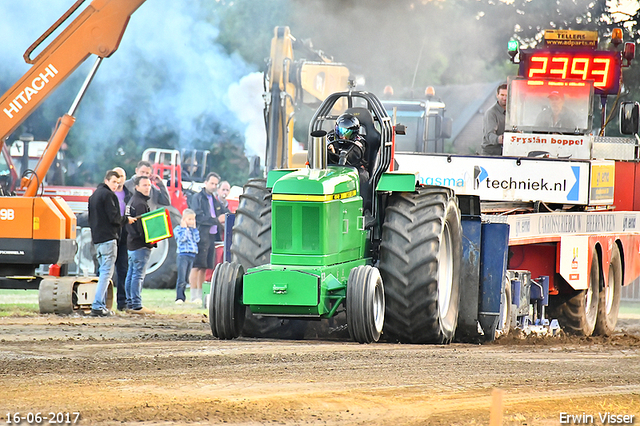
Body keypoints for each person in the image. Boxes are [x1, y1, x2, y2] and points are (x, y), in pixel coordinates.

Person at [87, 170, 134, 317]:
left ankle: (98, 304)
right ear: (107, 180)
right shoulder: (108, 195)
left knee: (103, 271)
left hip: (97, 238)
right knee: (106, 273)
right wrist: (127, 220)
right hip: (108, 238)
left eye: (118, 183)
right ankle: (97, 306)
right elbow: (114, 218)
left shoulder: (94, 195)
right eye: (114, 182)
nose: (116, 185)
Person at [188, 172, 225, 304]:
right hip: (201, 235)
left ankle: (201, 294)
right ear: (205, 183)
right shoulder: (198, 198)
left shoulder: (214, 200)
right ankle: (193, 295)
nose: (214, 186)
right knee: (197, 265)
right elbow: (198, 216)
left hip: (211, 236)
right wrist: (216, 220)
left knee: (205, 266)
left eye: (216, 184)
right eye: (212, 183)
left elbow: (222, 213)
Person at [124, 175, 156, 315]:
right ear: (136, 187)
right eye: (144, 185)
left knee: (131, 274)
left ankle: (130, 303)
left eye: (149, 185)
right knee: (138, 275)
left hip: (131, 244)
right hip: (140, 245)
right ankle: (137, 305)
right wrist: (150, 241)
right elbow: (143, 227)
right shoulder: (140, 203)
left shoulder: (132, 201)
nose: (147, 187)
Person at [112, 167, 130, 311]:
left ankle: (122, 302)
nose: (120, 178)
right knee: (105, 269)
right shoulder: (107, 194)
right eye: (117, 176)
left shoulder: (128, 194)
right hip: (110, 233)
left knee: (123, 269)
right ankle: (102, 301)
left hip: (124, 234)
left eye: (122, 176)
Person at [174, 209, 200, 304]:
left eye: (193, 219)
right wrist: (184, 228)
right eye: (190, 219)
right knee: (181, 277)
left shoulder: (192, 230)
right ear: (184, 219)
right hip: (183, 255)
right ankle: (179, 297)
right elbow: (182, 239)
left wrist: (194, 229)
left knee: (186, 278)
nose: (192, 221)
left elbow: (197, 239)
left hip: (191, 255)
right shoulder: (178, 229)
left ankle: (184, 297)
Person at [482, 83, 507, 156]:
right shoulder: (491, 113)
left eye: (507, 95)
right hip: (491, 155)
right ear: (497, 95)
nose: (504, 98)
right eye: (502, 95)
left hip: (507, 154)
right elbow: (489, 135)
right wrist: (500, 139)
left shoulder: (513, 113)